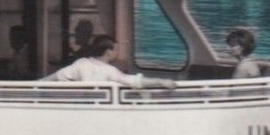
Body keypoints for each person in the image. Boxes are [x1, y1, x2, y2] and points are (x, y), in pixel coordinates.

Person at [43, 34, 175, 89]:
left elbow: (55, 76)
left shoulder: (81, 64)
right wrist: (161, 81)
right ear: (108, 52)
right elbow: (135, 81)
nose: (118, 52)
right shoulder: (110, 71)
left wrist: (35, 84)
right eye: (116, 50)